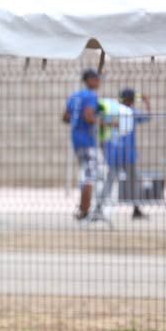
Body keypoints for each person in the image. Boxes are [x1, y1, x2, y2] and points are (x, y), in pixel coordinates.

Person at [94, 88, 151, 220]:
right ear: (130, 100)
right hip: (128, 154)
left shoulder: (112, 111)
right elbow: (148, 117)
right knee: (132, 182)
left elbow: (101, 128)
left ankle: (98, 207)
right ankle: (136, 209)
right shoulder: (131, 112)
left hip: (113, 152)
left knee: (110, 181)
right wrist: (147, 101)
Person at [63, 69, 102, 221]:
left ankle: (83, 208)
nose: (99, 82)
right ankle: (85, 211)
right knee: (90, 177)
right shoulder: (91, 96)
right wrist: (102, 122)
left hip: (76, 140)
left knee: (86, 174)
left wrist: (76, 121)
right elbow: (89, 116)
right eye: (97, 79)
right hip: (88, 141)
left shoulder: (75, 96)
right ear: (90, 80)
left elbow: (66, 117)